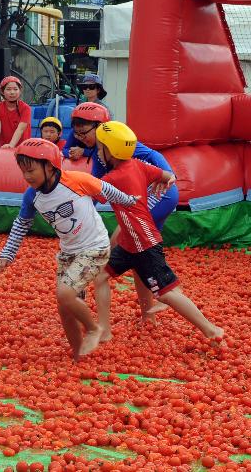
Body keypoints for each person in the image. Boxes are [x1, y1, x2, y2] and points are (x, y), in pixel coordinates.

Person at [86, 121, 224, 356]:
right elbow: (167, 174)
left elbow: (90, 192)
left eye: (101, 148)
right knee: (100, 277)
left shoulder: (114, 178)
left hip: (143, 243)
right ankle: (105, 330)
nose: (98, 152)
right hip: (131, 241)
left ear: (111, 150)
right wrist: (166, 179)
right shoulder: (138, 165)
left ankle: (211, 329)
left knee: (166, 292)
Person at [0, 139, 138, 361]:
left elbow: (106, 189)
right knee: (65, 306)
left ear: (50, 166)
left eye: (31, 170)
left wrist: (129, 201)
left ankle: (93, 328)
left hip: (95, 246)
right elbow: (21, 223)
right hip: (69, 252)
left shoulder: (75, 180)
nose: (27, 177)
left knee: (64, 293)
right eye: (23, 171)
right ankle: (78, 354)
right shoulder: (32, 196)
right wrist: (8, 252)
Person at [0, 76, 31, 148]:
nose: (12, 92)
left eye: (15, 89)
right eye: (8, 89)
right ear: (2, 91)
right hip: (3, 147)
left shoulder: (25, 108)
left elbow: (20, 129)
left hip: (22, 148)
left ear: (20, 91)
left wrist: (11, 145)